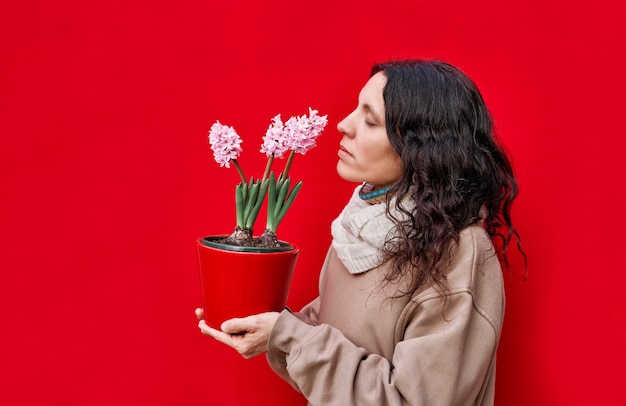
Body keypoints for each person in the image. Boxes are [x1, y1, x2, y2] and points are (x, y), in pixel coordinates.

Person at [196, 59, 525, 405]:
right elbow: (328, 350)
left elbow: (413, 399)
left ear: (422, 149)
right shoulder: (361, 227)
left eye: (370, 119)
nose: (343, 124)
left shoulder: (458, 253)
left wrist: (287, 336)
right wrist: (265, 329)